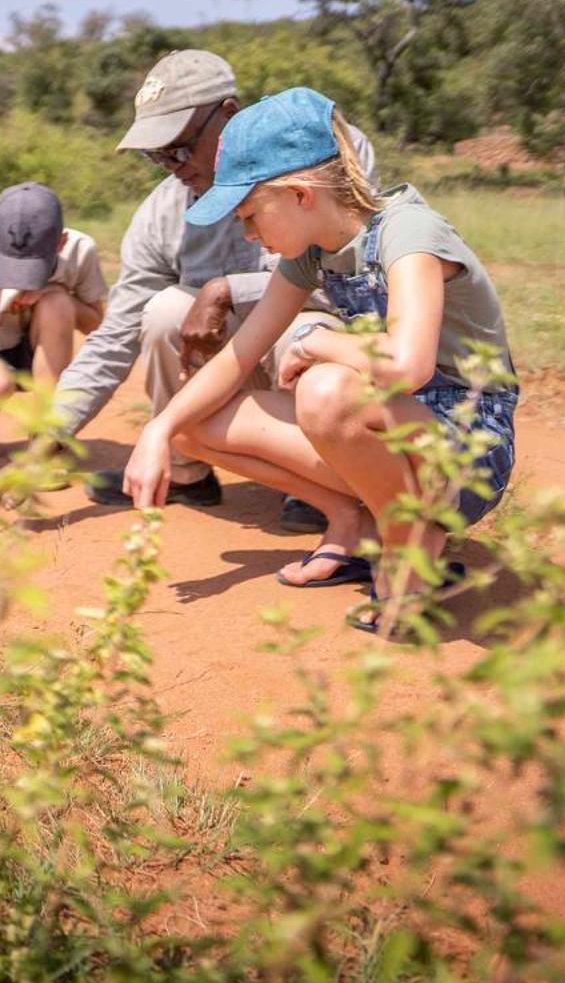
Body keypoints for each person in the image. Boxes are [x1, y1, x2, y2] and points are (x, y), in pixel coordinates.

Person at [120, 87, 518, 627]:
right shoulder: (312, 255)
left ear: (300, 195)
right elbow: (239, 355)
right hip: (400, 433)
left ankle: (411, 546)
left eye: (251, 214)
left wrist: (319, 343)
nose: (248, 232)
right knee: (194, 424)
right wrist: (158, 430)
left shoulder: (410, 234)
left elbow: (408, 365)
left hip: (466, 451)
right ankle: (351, 520)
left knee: (325, 389)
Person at [54, 50, 375, 530]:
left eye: (181, 147)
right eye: (157, 156)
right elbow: (117, 330)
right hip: (234, 361)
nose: (173, 166)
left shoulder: (320, 156)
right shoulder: (163, 212)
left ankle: (327, 478)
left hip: (321, 350)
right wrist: (51, 430)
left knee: (305, 330)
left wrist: (229, 289)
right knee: (162, 310)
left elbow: (357, 282)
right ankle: (185, 474)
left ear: (228, 113)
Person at [0, 181, 108, 499]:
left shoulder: (80, 250)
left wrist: (56, 292)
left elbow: (97, 324)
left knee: (57, 303)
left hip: (41, 346)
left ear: (62, 242)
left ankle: (43, 441)